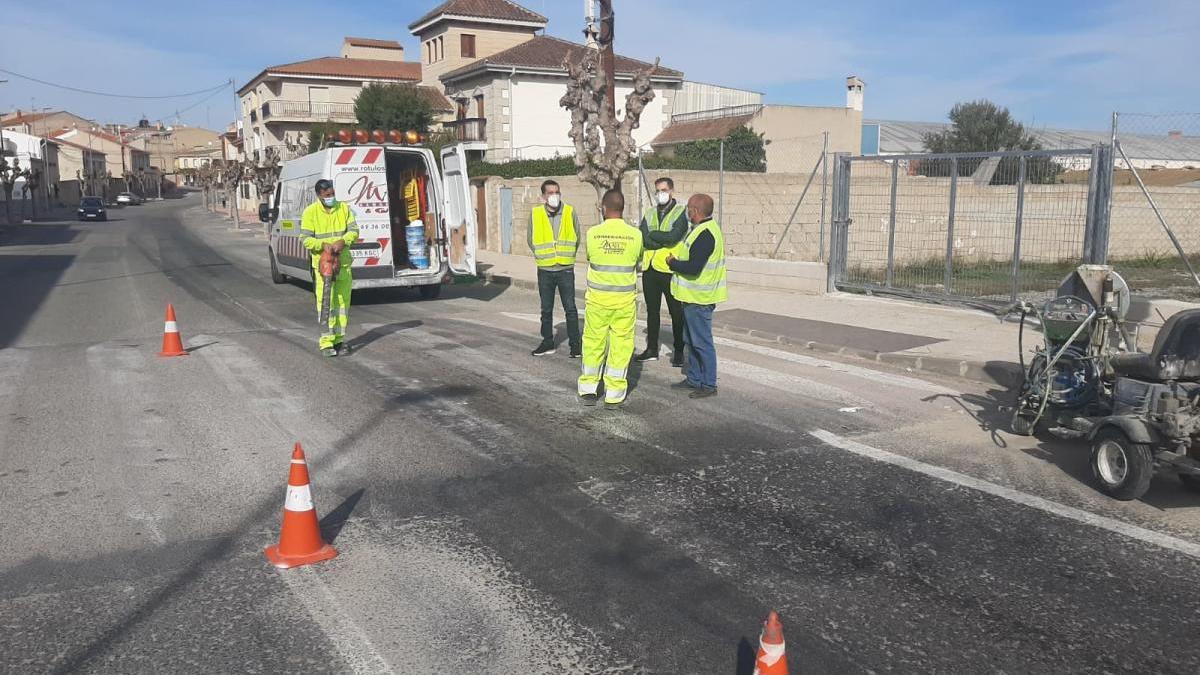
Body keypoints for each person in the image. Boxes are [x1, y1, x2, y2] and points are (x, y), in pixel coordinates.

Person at [578, 190, 643, 408]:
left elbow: (590, 257)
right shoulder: (635, 235)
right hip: (624, 302)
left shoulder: (593, 234)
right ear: (622, 208)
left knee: (593, 343)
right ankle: (613, 394)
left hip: (597, 301)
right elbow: (639, 261)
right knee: (621, 345)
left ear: (604, 208)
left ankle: (588, 389)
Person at [667, 194, 727, 399]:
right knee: (690, 340)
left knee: (701, 342)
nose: (687, 211)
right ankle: (694, 378)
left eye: (689, 208)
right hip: (692, 298)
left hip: (700, 300)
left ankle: (709, 383)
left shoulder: (706, 234)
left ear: (695, 210)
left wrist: (673, 263)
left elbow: (693, 267)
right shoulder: (701, 230)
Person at [300, 179, 359, 356]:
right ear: (319, 195)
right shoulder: (310, 212)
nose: (331, 197)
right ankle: (326, 342)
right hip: (324, 267)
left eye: (332, 194)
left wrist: (344, 240)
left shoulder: (344, 209)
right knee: (326, 304)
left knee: (342, 304)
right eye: (327, 195)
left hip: (343, 265)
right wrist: (322, 244)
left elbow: (354, 231)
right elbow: (305, 239)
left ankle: (339, 340)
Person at [636, 177, 688, 367]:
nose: (660, 194)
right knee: (652, 311)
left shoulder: (681, 212)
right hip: (650, 269)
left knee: (676, 312)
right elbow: (643, 238)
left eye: (664, 190)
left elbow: (674, 237)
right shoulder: (649, 213)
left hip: (669, 268)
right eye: (657, 190)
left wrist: (654, 236)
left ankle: (679, 351)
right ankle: (651, 349)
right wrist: (660, 239)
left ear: (671, 190)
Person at [529, 180, 582, 358]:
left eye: (557, 192)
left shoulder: (569, 211)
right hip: (545, 269)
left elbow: (577, 236)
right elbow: (531, 238)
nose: (554, 196)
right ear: (544, 196)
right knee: (546, 309)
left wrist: (567, 257)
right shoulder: (535, 214)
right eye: (550, 193)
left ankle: (576, 345)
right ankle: (547, 342)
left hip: (565, 268)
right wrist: (541, 255)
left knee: (571, 308)